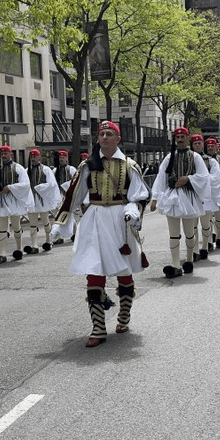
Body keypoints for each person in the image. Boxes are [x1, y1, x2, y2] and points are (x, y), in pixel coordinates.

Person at [50, 121, 151, 348]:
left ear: (118, 139)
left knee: (123, 272)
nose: (104, 137)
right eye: (101, 134)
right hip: (94, 220)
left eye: (109, 134)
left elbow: (141, 195)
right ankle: (98, 327)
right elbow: (72, 196)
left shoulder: (129, 165)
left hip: (119, 221)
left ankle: (124, 313)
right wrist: (60, 223)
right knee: (93, 270)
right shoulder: (87, 165)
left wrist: (132, 210)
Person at [150, 127, 210, 277]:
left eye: (183, 136)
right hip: (172, 197)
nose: (180, 139)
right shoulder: (168, 157)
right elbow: (161, 177)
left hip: (188, 197)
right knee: (174, 234)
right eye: (178, 137)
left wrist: (189, 178)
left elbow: (204, 176)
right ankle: (176, 264)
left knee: (190, 233)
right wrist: (155, 198)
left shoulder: (195, 157)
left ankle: (189, 259)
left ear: (188, 137)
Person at [0, 145, 33, 264]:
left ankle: (18, 249)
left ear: (11, 154)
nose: (4, 156)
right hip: (0, 200)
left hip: (13, 200)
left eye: (6, 153)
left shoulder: (18, 168)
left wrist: (10, 188)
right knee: (2, 228)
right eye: (2, 154)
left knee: (16, 226)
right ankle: (3, 253)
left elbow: (25, 184)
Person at [24, 148, 62, 254]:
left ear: (39, 157)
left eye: (35, 156)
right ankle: (34, 245)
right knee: (32, 223)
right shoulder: (27, 170)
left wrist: (40, 188)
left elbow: (52, 184)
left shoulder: (46, 169)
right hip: (32, 199)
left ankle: (48, 241)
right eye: (31, 157)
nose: (33, 158)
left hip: (42, 199)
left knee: (45, 221)